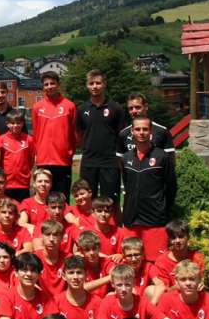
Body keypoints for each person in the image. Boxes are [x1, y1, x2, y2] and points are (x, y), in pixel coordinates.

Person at [121, 116, 177, 261]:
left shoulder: (162, 157)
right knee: (131, 261)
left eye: (145, 129)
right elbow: (127, 185)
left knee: (155, 262)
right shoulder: (126, 158)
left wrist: (163, 209)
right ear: (132, 132)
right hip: (131, 220)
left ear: (150, 132)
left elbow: (171, 187)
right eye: (137, 129)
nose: (141, 132)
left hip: (155, 221)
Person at [75, 69, 127, 205]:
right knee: (86, 200)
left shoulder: (116, 108)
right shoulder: (81, 109)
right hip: (89, 161)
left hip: (110, 162)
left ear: (104, 84)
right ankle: (89, 226)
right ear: (87, 85)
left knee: (111, 201)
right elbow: (79, 134)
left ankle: (114, 226)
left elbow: (122, 135)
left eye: (98, 83)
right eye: (91, 83)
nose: (94, 86)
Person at [31, 72, 76, 197]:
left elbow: (73, 134)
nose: (49, 86)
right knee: (43, 198)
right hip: (43, 161)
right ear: (43, 87)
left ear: (58, 85)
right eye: (46, 84)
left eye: (52, 83)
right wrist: (37, 154)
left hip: (62, 161)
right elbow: (36, 134)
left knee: (62, 198)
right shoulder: (37, 107)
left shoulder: (69, 106)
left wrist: (69, 153)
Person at [117, 92, 174, 161]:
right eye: (130, 108)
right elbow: (120, 162)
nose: (134, 111)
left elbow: (170, 161)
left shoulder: (162, 131)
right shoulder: (123, 134)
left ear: (146, 107)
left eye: (138, 107)